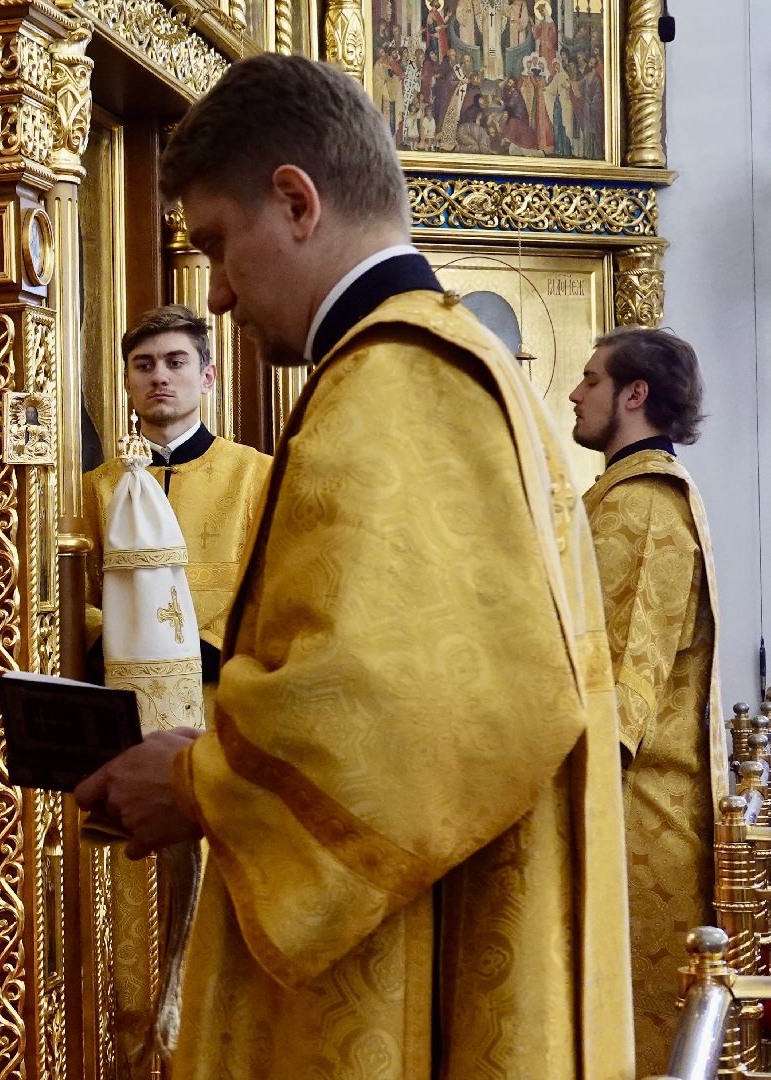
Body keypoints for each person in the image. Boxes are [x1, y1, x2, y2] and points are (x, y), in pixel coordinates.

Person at [74, 53, 631, 1078]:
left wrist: (198, 782)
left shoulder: (395, 382)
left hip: (405, 977)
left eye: (216, 246)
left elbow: (403, 719)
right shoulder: (447, 360)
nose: (221, 296)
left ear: (295, 200)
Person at [82, 305, 268, 1064]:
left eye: (174, 362)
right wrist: (116, 638)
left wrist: (203, 649)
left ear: (207, 375)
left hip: (221, 721)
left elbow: (275, 588)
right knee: (125, 905)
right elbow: (72, 597)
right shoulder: (95, 487)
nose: (159, 377)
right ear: (126, 380)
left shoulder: (252, 475)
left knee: (215, 908)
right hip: (124, 726)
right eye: (143, 365)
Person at [568, 327, 721, 1073]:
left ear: (634, 395)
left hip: (632, 815)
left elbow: (621, 687)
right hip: (627, 807)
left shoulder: (645, 507)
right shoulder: (620, 499)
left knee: (632, 1029)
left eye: (590, 379)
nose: (574, 392)